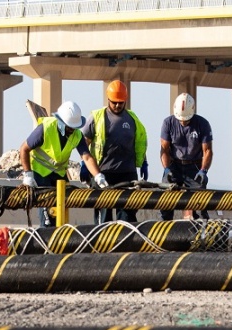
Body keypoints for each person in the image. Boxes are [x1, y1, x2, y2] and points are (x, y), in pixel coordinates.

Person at [20, 100, 108, 227]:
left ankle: (60, 239)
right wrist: (28, 175)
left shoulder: (76, 135)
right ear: (60, 120)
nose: (71, 130)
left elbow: (87, 157)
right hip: (41, 174)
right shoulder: (45, 129)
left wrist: (98, 175)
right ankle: (47, 241)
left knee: (61, 212)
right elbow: (24, 148)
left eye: (74, 127)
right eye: (69, 127)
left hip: (59, 175)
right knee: (47, 219)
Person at [81, 80, 148, 224]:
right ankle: (102, 244)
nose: (117, 106)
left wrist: (144, 162)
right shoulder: (96, 117)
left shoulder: (132, 119)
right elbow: (83, 144)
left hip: (126, 173)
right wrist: (85, 165)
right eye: (114, 102)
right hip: (102, 173)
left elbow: (137, 142)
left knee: (128, 216)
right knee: (103, 217)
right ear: (108, 99)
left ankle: (125, 244)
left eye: (121, 103)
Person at [159, 92, 213, 221]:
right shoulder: (168, 123)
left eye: (186, 119)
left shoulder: (202, 124)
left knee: (200, 202)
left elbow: (208, 151)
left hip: (194, 166)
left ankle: (201, 231)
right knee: (166, 201)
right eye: (181, 119)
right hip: (174, 164)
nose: (183, 122)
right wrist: (166, 169)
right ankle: (165, 230)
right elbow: (164, 149)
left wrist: (203, 170)